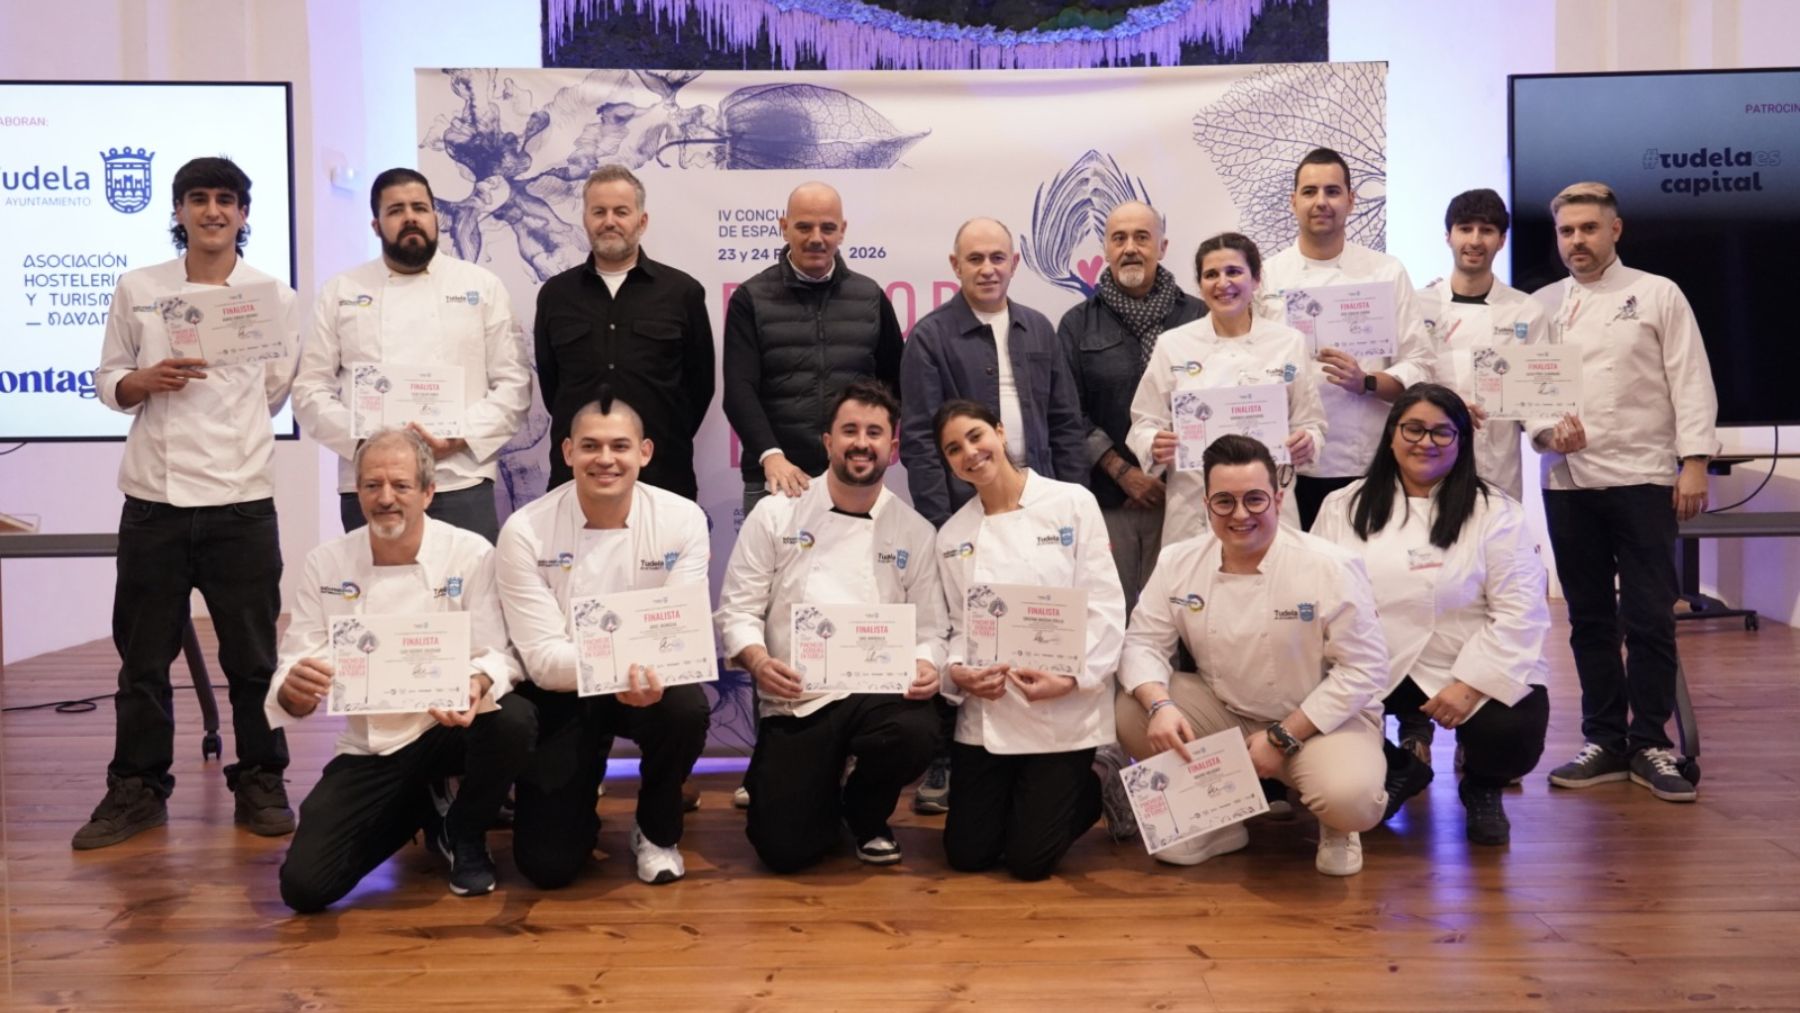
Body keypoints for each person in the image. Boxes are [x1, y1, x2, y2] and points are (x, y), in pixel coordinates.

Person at [77, 156, 300, 851]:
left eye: (225, 199)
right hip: (154, 502)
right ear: (177, 211)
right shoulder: (137, 286)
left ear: (242, 212)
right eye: (197, 199)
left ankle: (261, 776)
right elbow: (107, 379)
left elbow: (272, 390)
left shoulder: (274, 295)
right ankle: (137, 786)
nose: (212, 211)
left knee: (253, 659)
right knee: (142, 660)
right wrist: (144, 380)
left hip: (241, 503)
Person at [270, 429, 535, 910]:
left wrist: (477, 681)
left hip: (446, 725)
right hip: (375, 745)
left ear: (428, 492)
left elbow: (500, 654)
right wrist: (292, 690)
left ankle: (465, 830)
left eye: (400, 485)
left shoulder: (470, 553)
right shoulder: (326, 563)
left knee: (515, 719)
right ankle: (420, 804)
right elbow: (296, 659)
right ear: (357, 492)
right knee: (305, 888)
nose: (385, 498)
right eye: (372, 486)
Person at [1116, 434, 1390, 876]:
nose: (1240, 515)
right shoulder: (1178, 561)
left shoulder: (1330, 565)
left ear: (1279, 499)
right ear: (1205, 503)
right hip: (1228, 711)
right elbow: (1143, 641)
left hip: (1319, 721)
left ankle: (1337, 827)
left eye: (1254, 500)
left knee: (1351, 801)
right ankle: (1220, 820)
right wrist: (1161, 705)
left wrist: (1283, 738)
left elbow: (1364, 669)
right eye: (1224, 501)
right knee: (1133, 709)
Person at [1530, 182, 1718, 803]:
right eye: (1566, 231)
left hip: (1643, 476)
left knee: (1649, 617)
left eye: (1588, 228)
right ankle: (1604, 739)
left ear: (1615, 230)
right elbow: (1526, 399)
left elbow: (1690, 379)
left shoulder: (1657, 293)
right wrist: (1544, 431)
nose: (1576, 241)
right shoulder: (1542, 306)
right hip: (1568, 481)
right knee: (1588, 618)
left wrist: (1694, 462)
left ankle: (1651, 743)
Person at [715, 380, 948, 872]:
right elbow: (737, 611)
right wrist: (758, 662)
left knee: (916, 732)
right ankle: (801, 790)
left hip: (877, 696)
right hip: (799, 698)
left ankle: (866, 813)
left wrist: (928, 664)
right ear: (827, 442)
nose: (861, 442)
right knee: (784, 850)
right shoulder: (777, 513)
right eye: (849, 431)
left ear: (893, 447)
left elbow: (932, 629)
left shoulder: (915, 530)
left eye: (874, 432)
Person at [1312, 385, 1551, 845]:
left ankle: (1482, 786)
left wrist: (1473, 683)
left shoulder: (1495, 512)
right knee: (1303, 708)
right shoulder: (1343, 506)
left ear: (1462, 442)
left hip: (1459, 659)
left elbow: (1521, 610)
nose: (1427, 442)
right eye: (1414, 429)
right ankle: (1401, 768)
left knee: (1514, 726)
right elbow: (1321, 595)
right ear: (1391, 436)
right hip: (1372, 658)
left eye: (1443, 432)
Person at [494, 397, 712, 885]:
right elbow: (545, 663)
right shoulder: (526, 530)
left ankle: (656, 830)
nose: (605, 459)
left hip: (649, 685)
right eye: (590, 446)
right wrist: (622, 666)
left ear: (646, 452)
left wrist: (635, 667)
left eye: (620, 446)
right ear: (568, 451)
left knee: (686, 709)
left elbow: (677, 638)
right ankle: (577, 805)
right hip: (560, 694)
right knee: (548, 868)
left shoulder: (682, 520)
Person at [931, 400, 1130, 880]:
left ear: (1000, 432)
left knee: (1028, 862)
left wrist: (1071, 678)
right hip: (990, 712)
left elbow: (1104, 605)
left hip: (1061, 706)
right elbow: (956, 628)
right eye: (954, 449)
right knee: (968, 855)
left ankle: (1097, 778)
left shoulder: (1071, 503)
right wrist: (957, 672)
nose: (970, 453)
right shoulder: (953, 534)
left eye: (976, 436)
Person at [294, 167, 532, 543]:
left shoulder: (481, 286)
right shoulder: (340, 291)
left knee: (468, 596)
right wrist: (366, 444)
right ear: (376, 225)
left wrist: (458, 437)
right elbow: (310, 390)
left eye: (420, 208)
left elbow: (514, 384)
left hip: (460, 478)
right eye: (396, 210)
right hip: (373, 484)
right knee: (377, 596)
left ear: (435, 216)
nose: (410, 218)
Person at [1255, 148, 1434, 529]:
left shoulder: (1385, 271)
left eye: (1333, 191)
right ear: (1293, 201)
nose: (1321, 202)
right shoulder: (1266, 276)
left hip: (1365, 460)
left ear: (1351, 201)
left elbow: (1420, 364)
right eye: (1310, 192)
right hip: (1287, 461)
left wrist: (1365, 382)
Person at [1057, 201, 1207, 617]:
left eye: (1142, 237)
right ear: (1105, 248)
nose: (1130, 248)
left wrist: (1163, 477)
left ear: (1162, 245)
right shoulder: (1076, 324)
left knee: (1183, 617)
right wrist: (1126, 475)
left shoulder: (1200, 317)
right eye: (1118, 238)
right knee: (1110, 616)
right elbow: (1069, 412)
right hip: (1109, 501)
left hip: (1186, 499)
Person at [1127, 232, 1326, 545]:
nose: (1223, 283)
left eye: (1233, 272)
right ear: (1200, 284)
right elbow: (1144, 421)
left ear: (1256, 279)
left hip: (1269, 507)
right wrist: (1153, 443)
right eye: (1211, 275)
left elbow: (1311, 423)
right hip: (1194, 510)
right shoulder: (1173, 345)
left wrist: (1307, 441)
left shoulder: (1288, 342)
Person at [721, 181, 904, 516]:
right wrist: (770, 455)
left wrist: (870, 447)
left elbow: (896, 386)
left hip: (855, 479)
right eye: (804, 226)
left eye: (828, 227)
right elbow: (738, 391)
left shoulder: (871, 297)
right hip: (777, 480)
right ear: (784, 227)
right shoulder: (750, 298)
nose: (816, 238)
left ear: (842, 231)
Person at [533, 165, 713, 498]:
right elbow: (552, 386)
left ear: (641, 222)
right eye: (598, 211)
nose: (609, 221)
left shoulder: (682, 292)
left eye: (621, 211)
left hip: (663, 474)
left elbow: (700, 386)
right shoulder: (555, 295)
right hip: (576, 478)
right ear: (585, 219)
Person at [900, 217, 1088, 528]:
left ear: (1013, 263)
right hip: (967, 510)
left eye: (997, 258)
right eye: (975, 259)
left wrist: (1075, 501)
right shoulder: (928, 338)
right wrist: (939, 523)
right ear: (956, 265)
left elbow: (1066, 424)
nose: (988, 269)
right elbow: (920, 442)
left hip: (1043, 503)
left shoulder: (1039, 329)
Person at [1416, 189, 1549, 502]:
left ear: (1501, 240)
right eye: (1465, 229)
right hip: (1427, 462)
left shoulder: (1525, 310)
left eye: (1487, 230)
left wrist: (1553, 434)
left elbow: (1537, 400)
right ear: (1448, 236)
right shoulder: (1417, 304)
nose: (1475, 241)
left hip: (1496, 468)